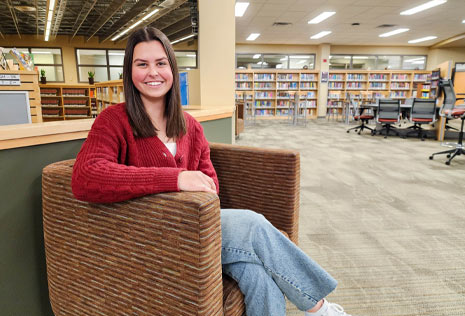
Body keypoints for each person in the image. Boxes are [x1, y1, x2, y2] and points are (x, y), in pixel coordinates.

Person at [71, 27, 351, 316]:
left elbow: (210, 184)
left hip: (197, 228)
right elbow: (85, 177)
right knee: (254, 226)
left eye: (160, 63)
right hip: (152, 235)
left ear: (172, 68)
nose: (152, 72)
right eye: (142, 64)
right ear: (130, 72)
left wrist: (193, 191)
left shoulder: (190, 126)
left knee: (258, 275)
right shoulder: (113, 120)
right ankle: (320, 309)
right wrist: (176, 178)